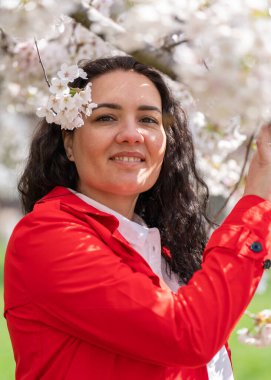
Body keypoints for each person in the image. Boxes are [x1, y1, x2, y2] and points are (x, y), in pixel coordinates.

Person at [3, 55, 271, 380]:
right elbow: (187, 335)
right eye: (105, 118)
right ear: (68, 143)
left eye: (147, 120)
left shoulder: (160, 248)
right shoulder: (47, 238)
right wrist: (255, 206)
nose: (132, 135)